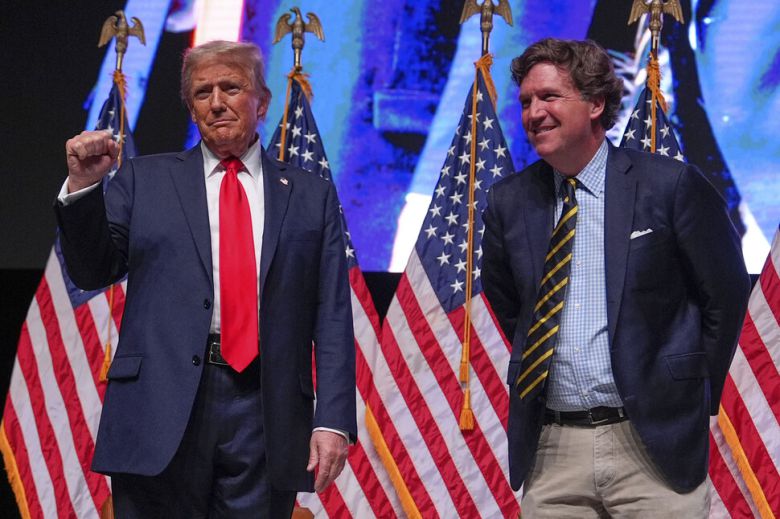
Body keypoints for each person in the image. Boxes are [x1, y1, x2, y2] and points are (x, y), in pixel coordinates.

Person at [55, 40, 356, 518]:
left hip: (266, 410)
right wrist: (84, 188)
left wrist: (334, 421)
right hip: (159, 406)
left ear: (262, 102)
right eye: (202, 92)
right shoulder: (144, 180)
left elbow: (333, 314)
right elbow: (92, 271)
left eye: (231, 87)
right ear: (191, 107)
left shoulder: (310, 196)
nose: (216, 102)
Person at [482, 38, 750, 517]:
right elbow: (511, 306)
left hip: (653, 446)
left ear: (596, 103)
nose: (534, 113)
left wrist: (687, 391)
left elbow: (725, 296)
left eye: (549, 96)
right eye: (526, 101)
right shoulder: (509, 202)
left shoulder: (670, 186)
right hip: (552, 450)